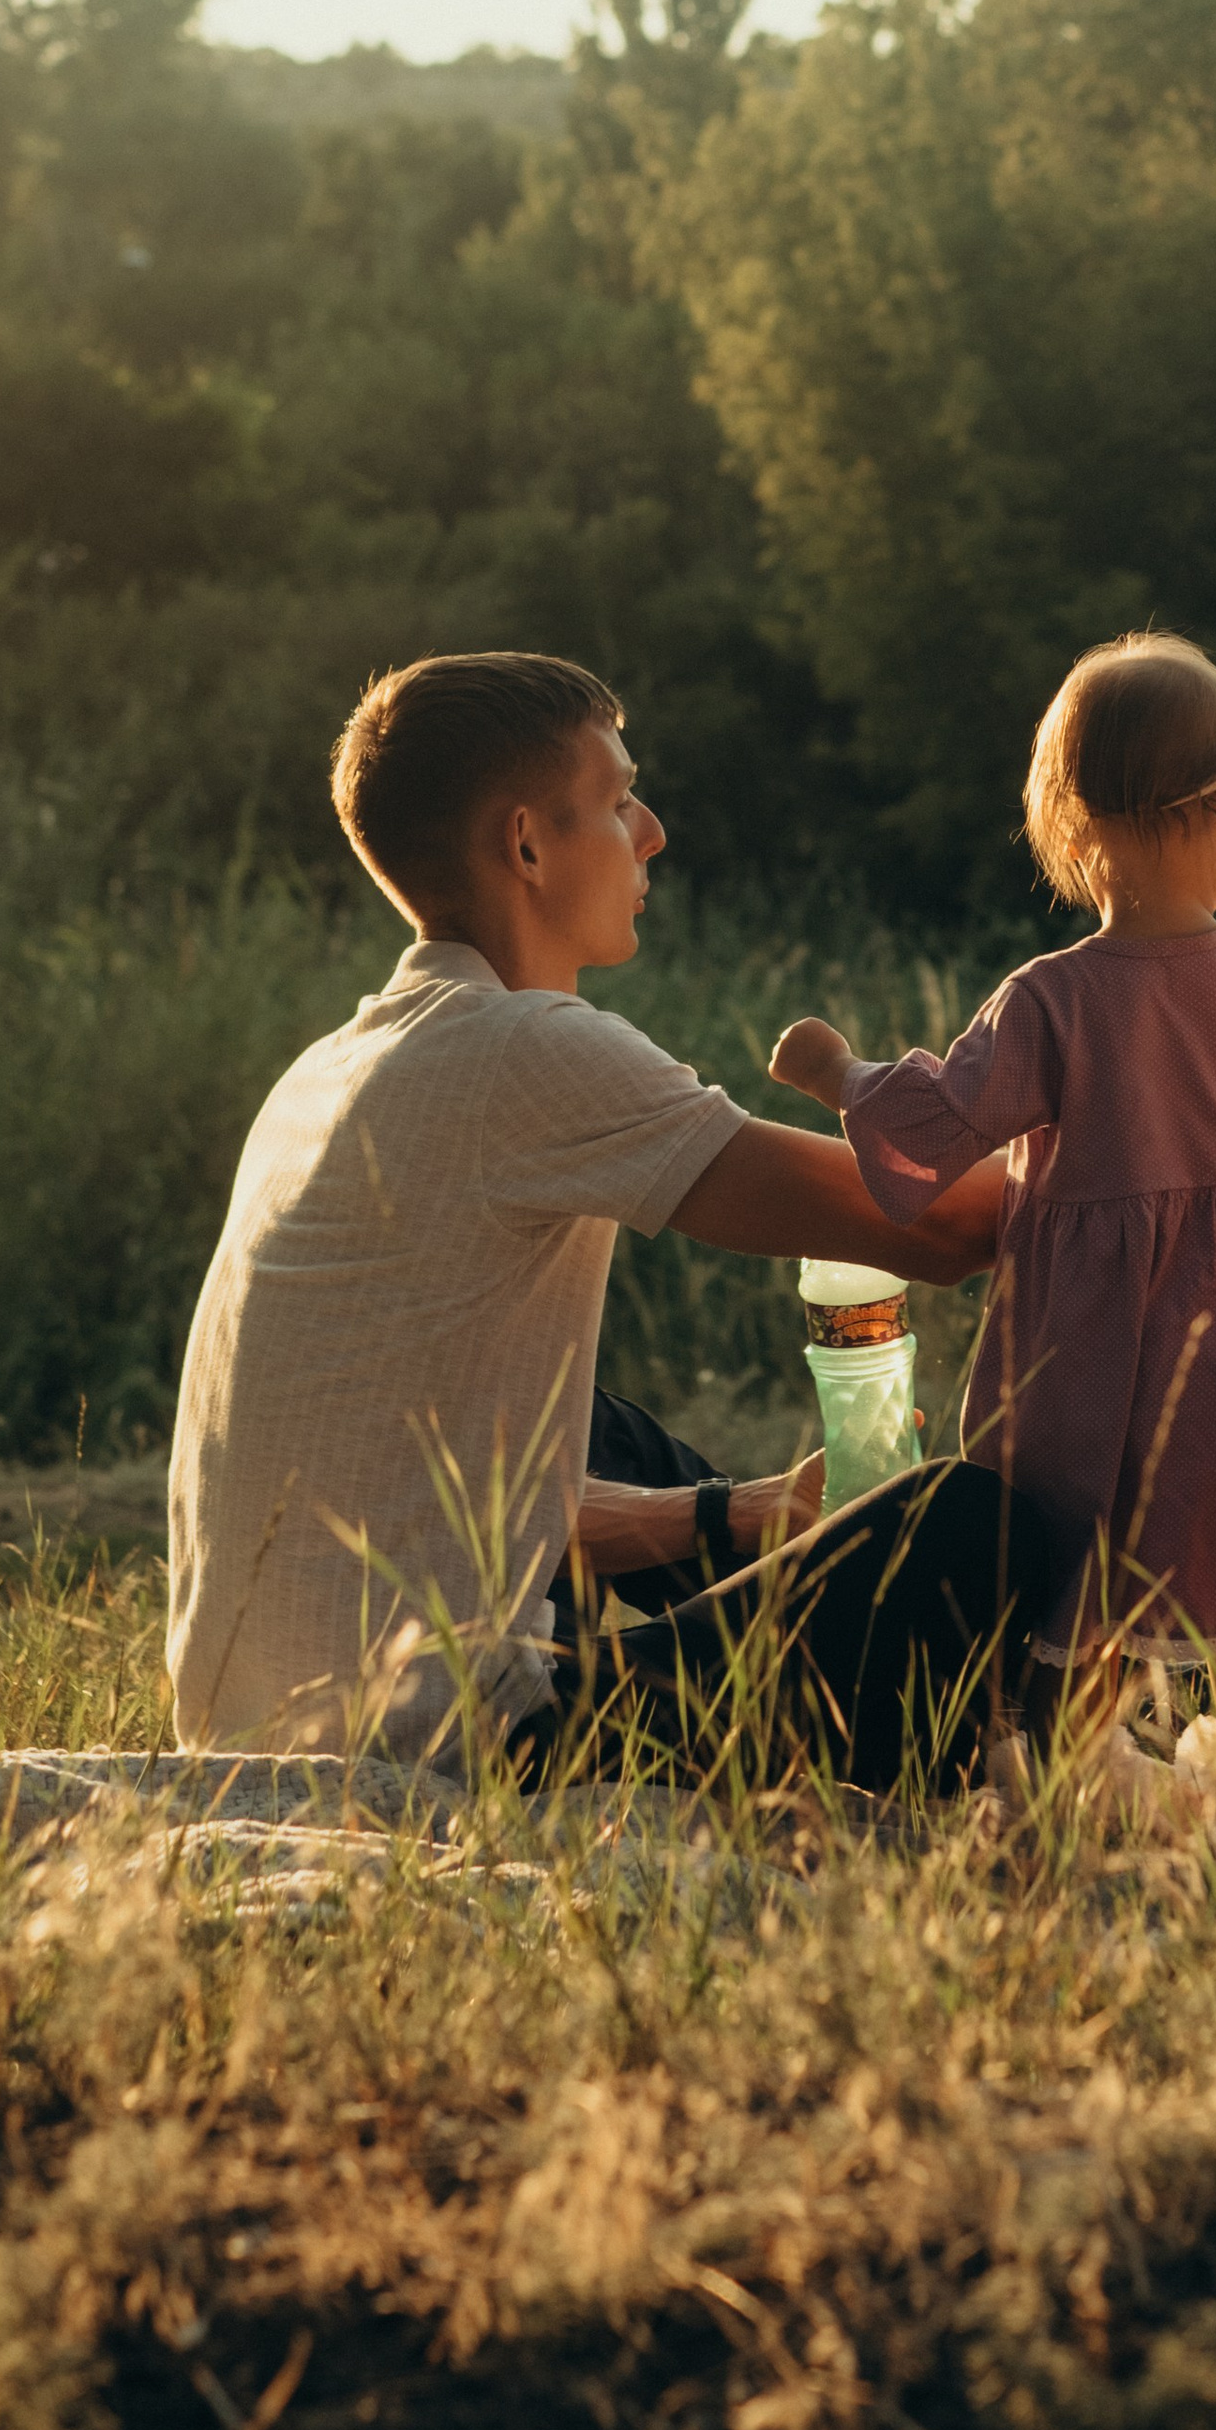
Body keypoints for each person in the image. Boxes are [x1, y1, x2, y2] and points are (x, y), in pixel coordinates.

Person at [166, 651, 1046, 1788]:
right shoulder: (524, 1049)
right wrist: (1156, 1132)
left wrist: (737, 1515)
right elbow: (944, 1230)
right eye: (621, 799)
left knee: (597, 1427)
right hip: (457, 1746)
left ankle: (890, 1667)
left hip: (259, 1721)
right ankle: (1022, 1748)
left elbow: (422, 1486)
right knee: (972, 1529)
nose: (654, 833)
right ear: (528, 845)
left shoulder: (329, 1068)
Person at [769, 632, 1216, 1778]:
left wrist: (837, 1074)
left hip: (1096, 1355)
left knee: (1080, 1555)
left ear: (1072, 829)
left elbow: (935, 1131)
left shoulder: (1050, 1000)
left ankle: (1070, 1787)